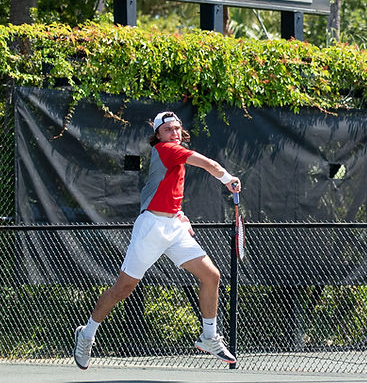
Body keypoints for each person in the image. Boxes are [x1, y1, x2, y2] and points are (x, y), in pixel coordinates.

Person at [73, 110, 241, 369]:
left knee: (211, 276)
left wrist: (179, 214)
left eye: (177, 129)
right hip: (151, 228)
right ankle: (87, 333)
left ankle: (208, 336)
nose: (173, 133)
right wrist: (229, 179)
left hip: (174, 225)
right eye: (167, 130)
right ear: (159, 135)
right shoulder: (167, 150)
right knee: (123, 289)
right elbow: (211, 166)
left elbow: (164, 191)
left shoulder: (177, 157)